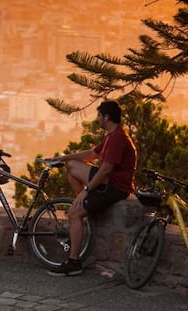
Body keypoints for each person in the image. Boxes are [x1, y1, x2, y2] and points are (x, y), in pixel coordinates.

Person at [47, 100, 137, 276]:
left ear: (106, 117)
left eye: (99, 116)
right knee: (71, 166)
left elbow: (106, 170)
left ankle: (73, 263)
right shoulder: (113, 135)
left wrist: (86, 191)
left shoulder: (118, 138)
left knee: (74, 213)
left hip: (113, 187)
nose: (98, 119)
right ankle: (83, 205)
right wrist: (63, 157)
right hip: (108, 183)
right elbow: (92, 154)